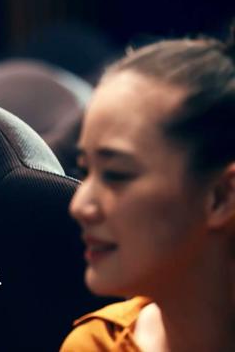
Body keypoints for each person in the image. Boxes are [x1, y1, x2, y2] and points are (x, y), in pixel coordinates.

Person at [60, 31, 235, 351]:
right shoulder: (95, 345)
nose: (79, 205)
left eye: (116, 175)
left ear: (221, 197)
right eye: (84, 171)